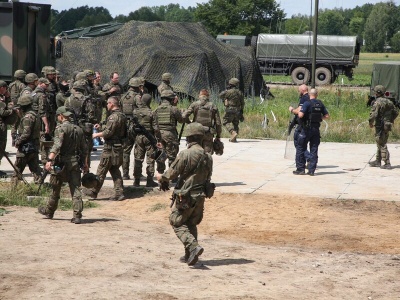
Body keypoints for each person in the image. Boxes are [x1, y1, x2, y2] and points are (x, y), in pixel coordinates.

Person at [156, 122, 213, 266]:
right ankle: (190, 254)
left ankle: (193, 247)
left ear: (189, 138)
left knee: (176, 221)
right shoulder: (208, 156)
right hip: (200, 196)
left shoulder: (186, 154)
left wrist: (160, 177)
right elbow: (208, 177)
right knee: (191, 223)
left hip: (186, 197)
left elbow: (172, 173)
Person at [38, 106, 89, 224]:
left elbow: (57, 145)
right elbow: (85, 149)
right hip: (75, 163)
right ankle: (77, 215)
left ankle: (49, 211)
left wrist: (49, 160)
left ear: (60, 116)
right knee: (76, 189)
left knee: (55, 188)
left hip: (60, 164)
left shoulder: (60, 129)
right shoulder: (79, 129)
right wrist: (85, 164)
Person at [85, 96, 127, 201]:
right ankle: (119, 192)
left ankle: (93, 191)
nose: (107, 105)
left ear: (112, 104)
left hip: (110, 148)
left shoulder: (113, 117)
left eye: (108, 103)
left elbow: (108, 133)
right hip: (118, 146)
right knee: (114, 169)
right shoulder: (122, 115)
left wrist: (96, 135)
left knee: (101, 169)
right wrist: (101, 127)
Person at [294, 88, 329, 176]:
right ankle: (311, 170)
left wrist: (298, 113)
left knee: (300, 148)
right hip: (316, 129)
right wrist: (319, 118)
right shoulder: (320, 103)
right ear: (317, 94)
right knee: (314, 149)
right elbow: (327, 116)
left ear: (309, 94)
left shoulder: (307, 103)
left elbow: (301, 115)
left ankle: (300, 169)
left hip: (306, 129)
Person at [11, 94, 42, 185]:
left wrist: (18, 141)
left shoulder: (27, 117)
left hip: (26, 147)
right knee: (35, 169)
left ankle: (13, 190)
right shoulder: (35, 115)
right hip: (34, 146)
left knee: (17, 170)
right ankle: (39, 186)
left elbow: (26, 133)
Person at [132, 93, 160, 187]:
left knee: (138, 159)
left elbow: (132, 126)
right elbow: (155, 128)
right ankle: (149, 180)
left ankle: (136, 180)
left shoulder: (135, 111)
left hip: (138, 137)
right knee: (150, 159)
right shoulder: (151, 112)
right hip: (149, 138)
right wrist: (158, 139)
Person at [368, 85, 399, 169]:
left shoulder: (377, 102)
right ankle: (378, 161)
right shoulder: (389, 102)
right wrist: (390, 120)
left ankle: (387, 163)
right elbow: (396, 112)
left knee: (381, 143)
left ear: (377, 93)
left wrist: (370, 122)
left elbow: (374, 114)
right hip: (387, 125)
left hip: (380, 125)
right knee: (380, 141)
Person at [154, 89, 184, 175]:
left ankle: (160, 173)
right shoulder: (174, 109)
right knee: (172, 156)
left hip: (159, 135)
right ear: (171, 99)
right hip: (170, 135)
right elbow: (181, 120)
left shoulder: (156, 110)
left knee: (161, 154)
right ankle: (172, 176)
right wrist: (183, 114)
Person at [182, 89, 222, 154]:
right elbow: (218, 123)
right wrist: (218, 135)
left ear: (199, 96)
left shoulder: (194, 104)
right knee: (207, 154)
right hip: (208, 133)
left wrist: (190, 123)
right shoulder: (213, 106)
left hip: (196, 133)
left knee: (195, 153)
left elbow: (184, 116)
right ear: (208, 96)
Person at [120, 77, 142, 180]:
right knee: (138, 150)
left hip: (125, 125)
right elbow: (141, 111)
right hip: (135, 125)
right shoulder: (137, 97)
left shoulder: (123, 97)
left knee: (126, 150)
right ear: (138, 87)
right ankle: (137, 174)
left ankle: (125, 174)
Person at [289, 84, 311, 167]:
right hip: (308, 124)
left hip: (302, 124)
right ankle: (306, 159)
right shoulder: (310, 97)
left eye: (299, 91)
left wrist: (292, 110)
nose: (299, 92)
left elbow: (299, 111)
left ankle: (308, 158)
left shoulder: (304, 98)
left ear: (302, 90)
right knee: (301, 144)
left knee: (298, 143)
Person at [219, 78, 244, 142]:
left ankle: (232, 132)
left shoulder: (228, 91)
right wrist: (241, 111)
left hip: (230, 109)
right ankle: (234, 138)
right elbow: (242, 103)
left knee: (225, 121)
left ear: (231, 84)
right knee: (236, 123)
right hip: (238, 110)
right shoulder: (240, 92)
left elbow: (220, 95)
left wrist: (226, 90)